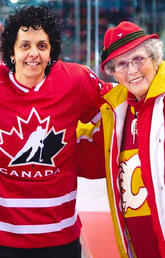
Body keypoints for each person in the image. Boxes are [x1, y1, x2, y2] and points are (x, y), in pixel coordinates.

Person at [0, 5, 107, 258]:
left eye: (42, 46)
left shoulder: (75, 80)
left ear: (51, 52)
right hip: (5, 240)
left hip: (62, 239)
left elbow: (116, 110)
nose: (33, 54)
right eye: (24, 45)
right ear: (12, 52)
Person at [77, 21, 165, 257]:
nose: (132, 71)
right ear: (114, 73)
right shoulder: (116, 113)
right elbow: (83, 155)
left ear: (155, 57)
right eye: (122, 65)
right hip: (137, 245)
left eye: (139, 59)